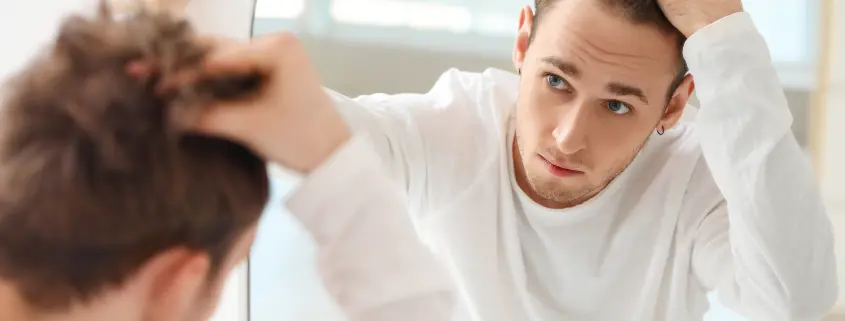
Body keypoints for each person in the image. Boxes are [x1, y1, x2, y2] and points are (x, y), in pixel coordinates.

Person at [193, 0, 840, 320]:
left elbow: (796, 310)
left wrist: (722, 32)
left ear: (674, 107)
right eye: (557, 81)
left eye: (616, 106)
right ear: (523, 40)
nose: (565, 138)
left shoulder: (697, 177)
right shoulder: (452, 127)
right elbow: (330, 128)